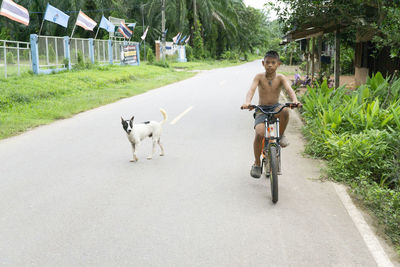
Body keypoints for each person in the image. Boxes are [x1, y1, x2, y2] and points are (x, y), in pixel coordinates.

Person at [241, 51, 301, 178]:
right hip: (261, 109)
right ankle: (257, 164)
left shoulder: (281, 78)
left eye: (273, 63)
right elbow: (251, 90)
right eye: (267, 62)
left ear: (278, 64)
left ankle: (280, 136)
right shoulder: (259, 77)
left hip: (275, 107)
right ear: (263, 63)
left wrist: (295, 100)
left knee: (285, 110)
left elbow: (289, 90)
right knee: (259, 134)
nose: (270, 65)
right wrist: (247, 102)